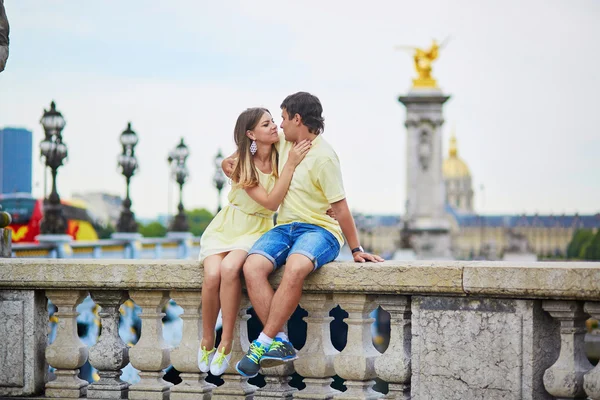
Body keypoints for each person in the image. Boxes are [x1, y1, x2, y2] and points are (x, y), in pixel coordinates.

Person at [225, 92, 384, 378]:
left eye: (283, 118)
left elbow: (342, 208)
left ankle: (262, 344)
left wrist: (356, 248)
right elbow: (242, 154)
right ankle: (281, 341)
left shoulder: (324, 157)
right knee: (252, 266)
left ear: (298, 119)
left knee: (296, 267)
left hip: (320, 230)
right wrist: (229, 164)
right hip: (285, 227)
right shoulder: (283, 145)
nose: (280, 125)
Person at [197, 107, 311, 376]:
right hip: (227, 224)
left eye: (273, 122)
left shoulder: (281, 148)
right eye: (266, 124)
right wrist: (226, 161)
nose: (274, 127)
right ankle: (206, 340)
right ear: (251, 134)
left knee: (229, 270)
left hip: (255, 229)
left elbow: (272, 205)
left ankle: (225, 343)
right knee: (212, 274)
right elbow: (272, 199)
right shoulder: (241, 164)